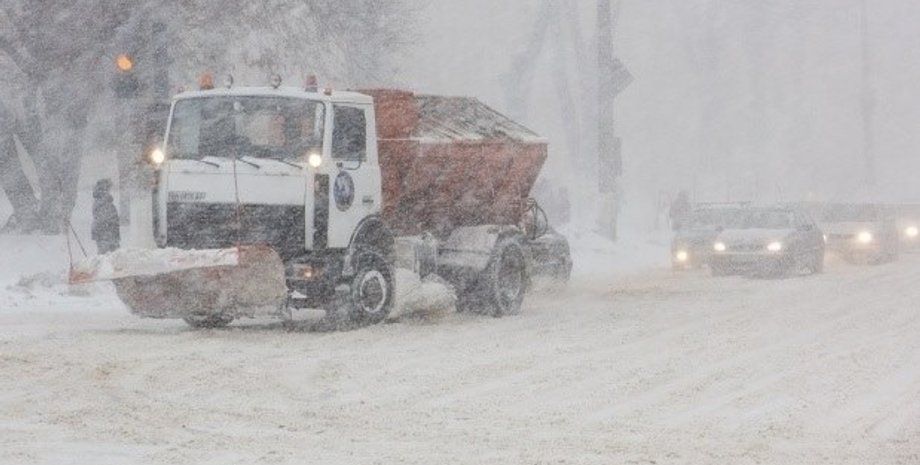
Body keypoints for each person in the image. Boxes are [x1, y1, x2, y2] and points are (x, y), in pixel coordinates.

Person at [92, 179, 120, 254]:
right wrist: (113, 223)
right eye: (108, 188)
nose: (109, 190)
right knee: (107, 255)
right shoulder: (103, 201)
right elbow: (104, 218)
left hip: (107, 232)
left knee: (111, 255)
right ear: (104, 189)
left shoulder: (101, 201)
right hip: (106, 232)